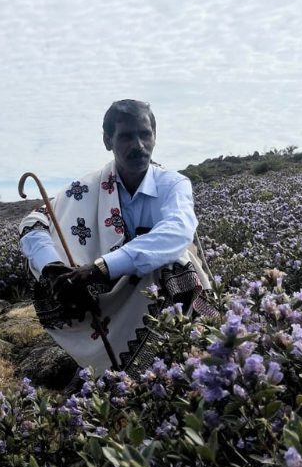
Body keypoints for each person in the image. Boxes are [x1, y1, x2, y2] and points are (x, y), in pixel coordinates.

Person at [17, 99, 218, 375]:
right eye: (125, 136)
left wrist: (100, 269)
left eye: (145, 134)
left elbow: (177, 231)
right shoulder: (87, 189)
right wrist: (52, 268)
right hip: (102, 297)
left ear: (155, 137)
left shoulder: (172, 184)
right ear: (107, 140)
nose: (138, 145)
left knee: (177, 264)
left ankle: (179, 364)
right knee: (55, 285)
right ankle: (117, 376)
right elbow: (34, 222)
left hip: (153, 291)